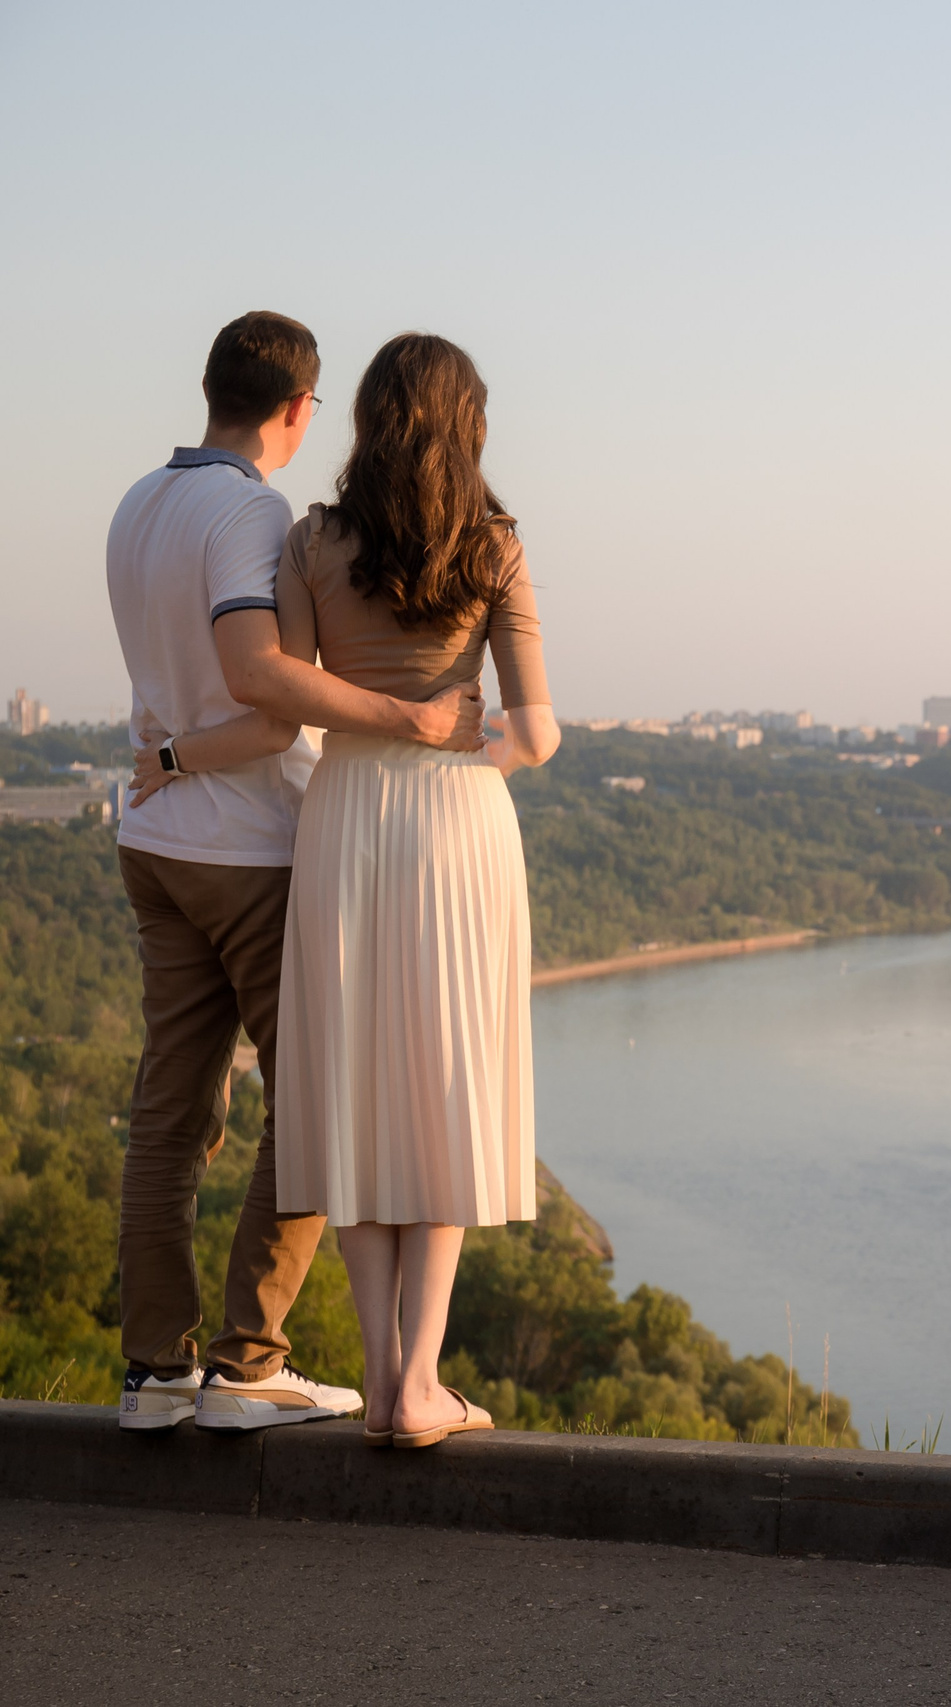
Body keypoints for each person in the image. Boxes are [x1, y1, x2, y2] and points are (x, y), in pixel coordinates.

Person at [109, 311, 486, 1431]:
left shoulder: (139, 502)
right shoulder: (250, 510)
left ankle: (152, 1373)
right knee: (315, 1102)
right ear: (296, 408)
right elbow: (263, 688)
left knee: (171, 1110)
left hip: (156, 843)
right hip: (250, 849)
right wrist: (405, 719)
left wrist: (172, 754)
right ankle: (246, 1362)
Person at [265, 332, 558, 1448]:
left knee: (357, 1092)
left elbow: (292, 702)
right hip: (455, 821)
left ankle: (382, 1374)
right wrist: (459, 755)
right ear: (467, 423)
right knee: (445, 1092)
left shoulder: (310, 543)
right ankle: (418, 1386)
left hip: (343, 816)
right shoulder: (494, 547)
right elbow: (536, 731)